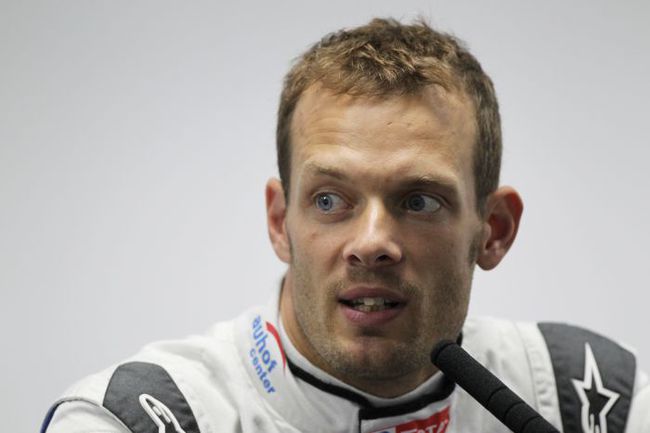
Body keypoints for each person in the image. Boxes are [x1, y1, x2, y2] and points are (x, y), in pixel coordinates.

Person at [42, 18, 649, 433]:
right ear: (280, 221)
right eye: (331, 200)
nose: (372, 243)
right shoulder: (142, 418)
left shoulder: (587, 399)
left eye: (419, 201)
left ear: (493, 230)